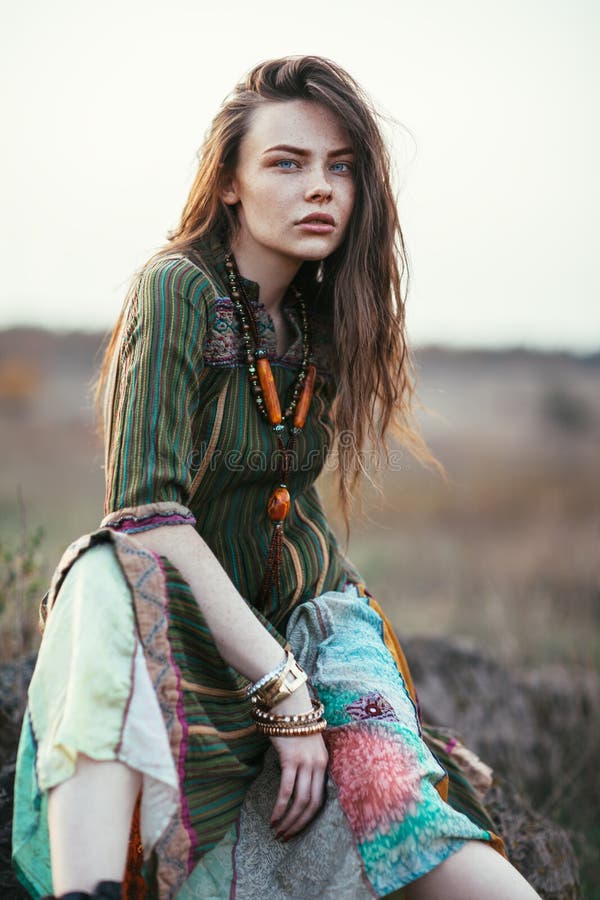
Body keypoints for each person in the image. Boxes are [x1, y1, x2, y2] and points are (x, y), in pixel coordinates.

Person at [11, 56, 542, 900]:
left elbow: (297, 521)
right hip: (185, 633)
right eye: (287, 163)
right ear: (229, 182)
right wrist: (280, 686)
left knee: (424, 829)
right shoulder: (175, 288)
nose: (319, 189)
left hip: (298, 626)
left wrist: (363, 689)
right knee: (107, 571)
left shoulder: (315, 318)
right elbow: (145, 512)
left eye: (340, 168)